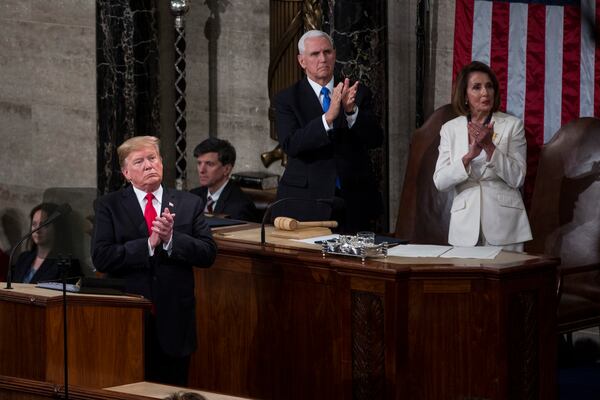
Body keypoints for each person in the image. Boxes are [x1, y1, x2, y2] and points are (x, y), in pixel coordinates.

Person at [91, 136, 217, 386]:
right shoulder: (109, 205)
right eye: (139, 161)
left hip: (175, 321)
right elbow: (102, 257)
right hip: (128, 320)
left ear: (162, 162)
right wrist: (148, 244)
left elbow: (208, 253)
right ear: (126, 172)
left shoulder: (189, 203)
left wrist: (172, 239)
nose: (149, 165)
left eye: (153, 158)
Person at [273, 30, 384, 232]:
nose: (323, 59)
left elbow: (376, 139)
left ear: (335, 55)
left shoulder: (357, 93)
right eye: (315, 54)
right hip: (306, 202)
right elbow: (291, 144)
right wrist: (327, 119)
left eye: (327, 52)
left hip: (354, 201)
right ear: (302, 61)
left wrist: (351, 112)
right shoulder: (287, 99)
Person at [433, 61, 532, 251]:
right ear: (464, 95)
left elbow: (518, 177)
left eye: (489, 86)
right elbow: (440, 181)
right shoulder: (449, 129)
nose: (485, 93)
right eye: (477, 87)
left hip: (504, 225)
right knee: (466, 281)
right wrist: (468, 157)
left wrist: (490, 148)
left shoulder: (513, 125)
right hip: (464, 227)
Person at [189, 137, 257, 222]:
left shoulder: (241, 206)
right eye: (199, 163)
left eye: (209, 164)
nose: (201, 170)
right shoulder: (192, 196)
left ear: (227, 169)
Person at [12, 202, 81, 283]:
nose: (37, 230)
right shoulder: (23, 258)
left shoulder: (66, 263)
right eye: (34, 224)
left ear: (56, 228)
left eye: (43, 224)